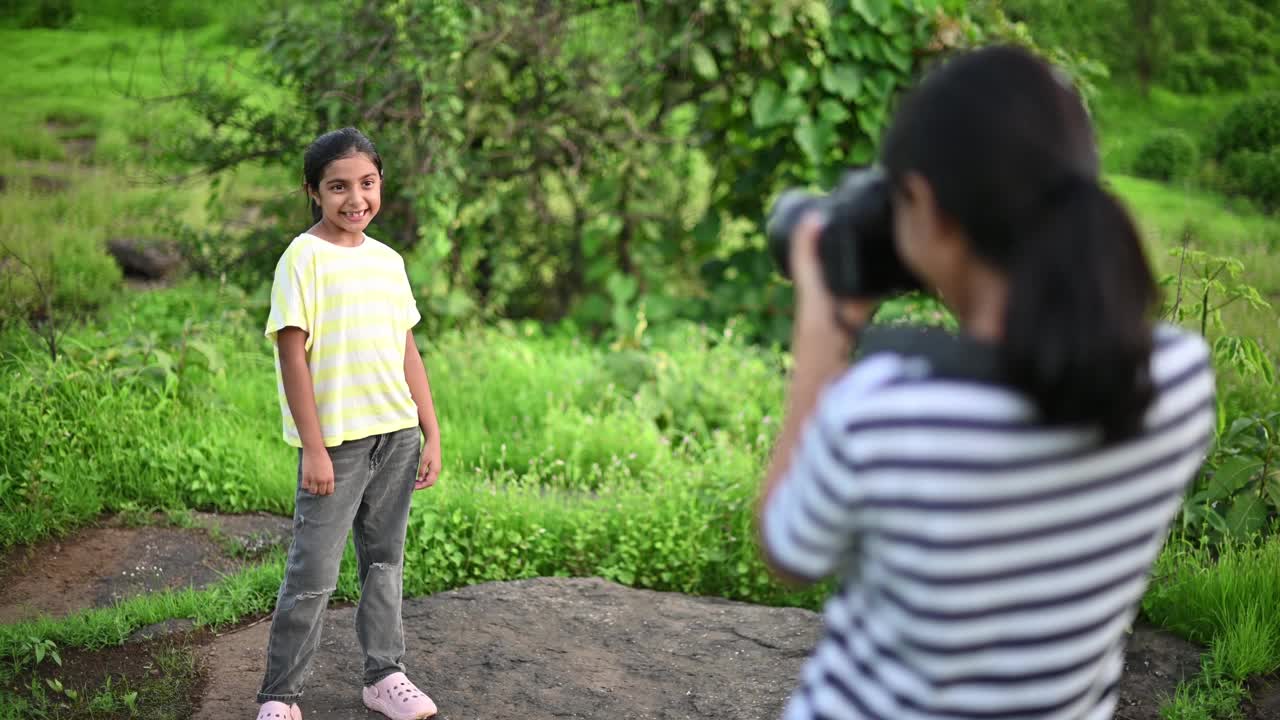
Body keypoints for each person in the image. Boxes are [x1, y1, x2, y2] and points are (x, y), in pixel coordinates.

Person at [757, 45, 1216, 720]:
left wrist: (824, 329)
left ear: (929, 207)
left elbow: (787, 550)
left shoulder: (883, 413)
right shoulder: (1176, 379)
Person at [255, 127, 442, 720]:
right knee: (313, 572)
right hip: (335, 445)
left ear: (380, 184)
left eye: (366, 184)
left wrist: (430, 429)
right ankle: (280, 696)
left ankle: (385, 675)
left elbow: (407, 349)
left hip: (397, 435)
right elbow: (291, 354)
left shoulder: (389, 262)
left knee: (385, 563)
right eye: (338, 187)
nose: (355, 199)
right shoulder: (303, 259)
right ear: (313, 191)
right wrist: (312, 447)